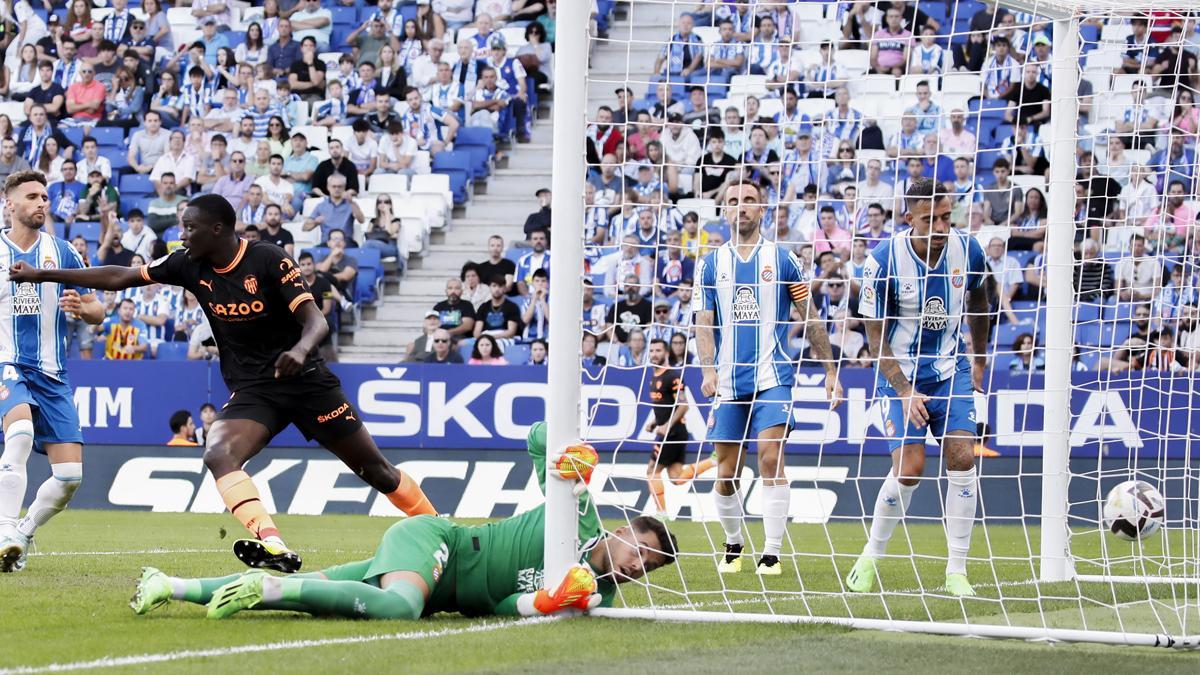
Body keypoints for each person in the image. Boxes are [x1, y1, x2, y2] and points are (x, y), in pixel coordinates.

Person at [11, 194, 438, 574]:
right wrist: (42, 276)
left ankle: (443, 538)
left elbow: (315, 320)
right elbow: (120, 276)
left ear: (218, 229)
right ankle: (272, 542)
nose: (182, 234)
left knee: (378, 472)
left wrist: (300, 351)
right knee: (218, 453)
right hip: (256, 390)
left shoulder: (269, 259)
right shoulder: (186, 263)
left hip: (307, 381)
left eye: (190, 227)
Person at [131, 423, 677, 621]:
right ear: (622, 529)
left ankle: (169, 585)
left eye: (649, 566)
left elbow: (503, 605)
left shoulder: (596, 599)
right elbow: (538, 438)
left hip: (437, 579)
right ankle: (268, 585)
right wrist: (569, 460)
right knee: (398, 609)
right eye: (642, 549)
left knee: (316, 589)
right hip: (439, 543)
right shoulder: (577, 515)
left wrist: (550, 603)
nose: (639, 565)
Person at [846, 179, 991, 598]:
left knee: (963, 457)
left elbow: (979, 304)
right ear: (910, 219)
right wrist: (905, 390)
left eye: (947, 217)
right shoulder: (882, 260)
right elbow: (877, 343)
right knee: (909, 470)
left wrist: (978, 361)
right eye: (931, 219)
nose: (942, 226)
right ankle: (872, 555)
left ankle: (957, 570)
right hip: (899, 375)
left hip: (951, 369)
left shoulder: (970, 250)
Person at [695, 181, 842, 577]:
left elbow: (809, 315)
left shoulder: (784, 259)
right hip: (727, 382)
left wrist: (830, 370)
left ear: (762, 210)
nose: (739, 208)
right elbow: (704, 323)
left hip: (773, 376)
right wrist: (707, 369)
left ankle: (772, 553)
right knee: (727, 474)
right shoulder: (709, 264)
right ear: (724, 212)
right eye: (732, 202)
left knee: (771, 459)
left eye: (747, 201)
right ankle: (733, 543)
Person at [0, 171, 105, 572]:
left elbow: (98, 311)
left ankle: (22, 535)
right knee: (21, 433)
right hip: (7, 362)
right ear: (10, 204)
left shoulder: (62, 252)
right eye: (32, 196)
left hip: (53, 374)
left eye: (45, 196)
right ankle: (5, 529)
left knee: (69, 477)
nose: (42, 202)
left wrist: (83, 307)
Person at [643, 339, 714, 519]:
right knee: (676, 477)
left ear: (666, 353)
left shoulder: (672, 376)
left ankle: (661, 513)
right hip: (670, 432)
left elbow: (684, 405)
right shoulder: (655, 376)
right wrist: (654, 421)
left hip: (672, 433)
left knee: (652, 471)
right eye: (651, 351)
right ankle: (713, 461)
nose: (654, 354)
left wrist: (667, 425)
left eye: (658, 350)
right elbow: (664, 405)